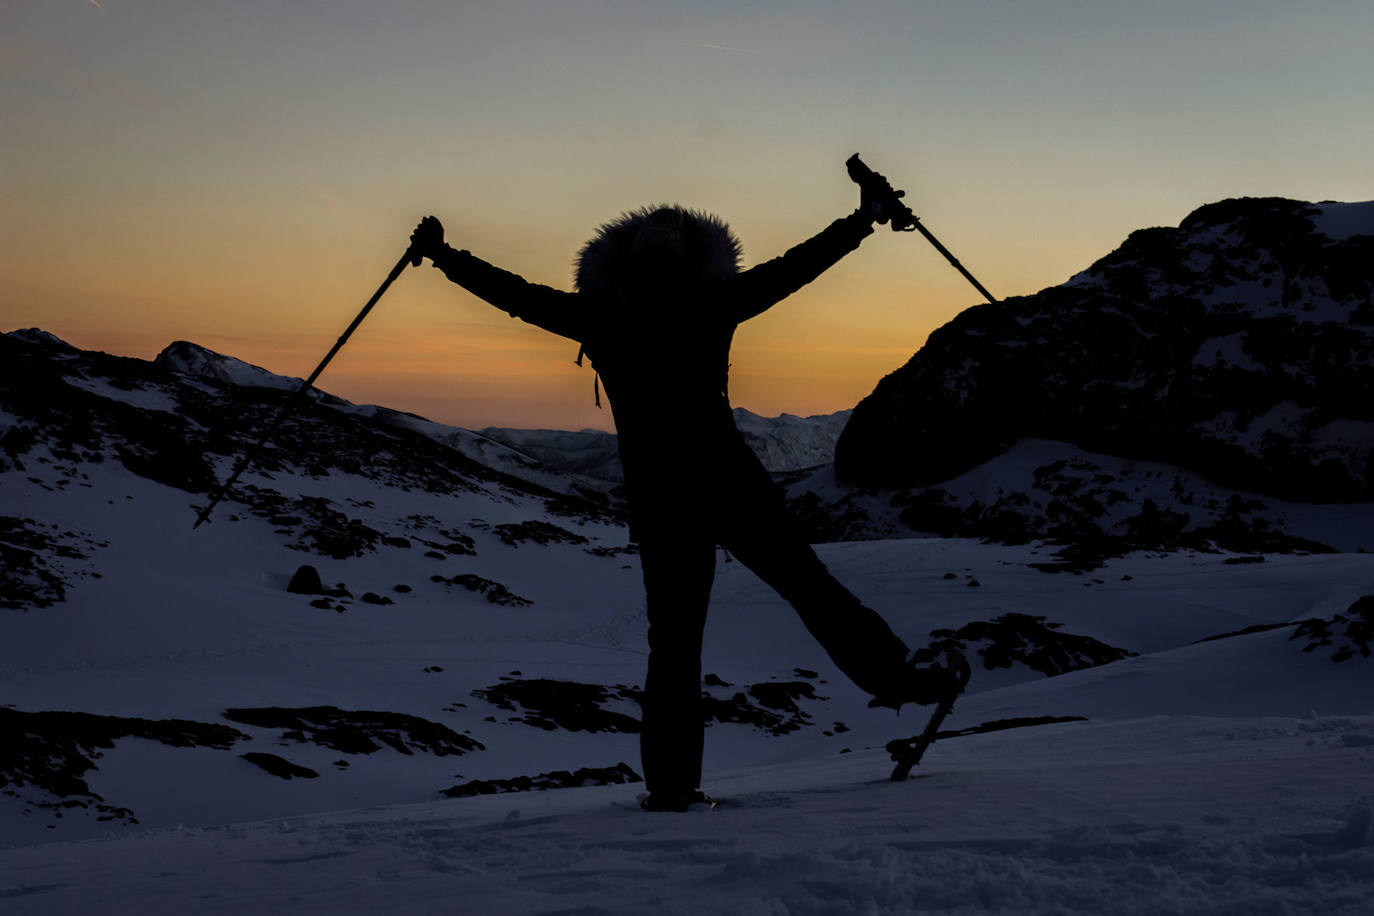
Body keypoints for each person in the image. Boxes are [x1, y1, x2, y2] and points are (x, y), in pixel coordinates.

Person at [409, 162, 965, 812]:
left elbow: (517, 295)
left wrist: (445, 257)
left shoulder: (605, 317)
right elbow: (796, 268)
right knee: (813, 590)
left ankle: (672, 785)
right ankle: (901, 681)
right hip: (730, 482)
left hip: (663, 500)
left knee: (674, 644)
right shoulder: (710, 302)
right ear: (692, 259)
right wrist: (863, 220)